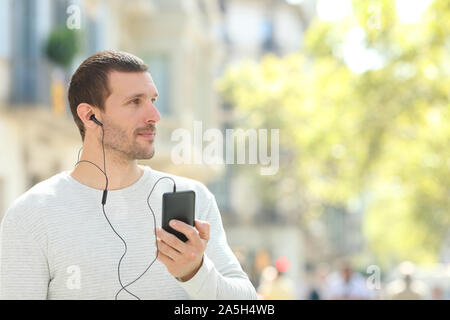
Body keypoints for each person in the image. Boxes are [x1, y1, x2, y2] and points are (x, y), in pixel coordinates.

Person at [0, 50, 257, 300]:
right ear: (90, 116)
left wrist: (195, 273)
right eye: (135, 102)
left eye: (152, 101)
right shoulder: (32, 214)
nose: (154, 116)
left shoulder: (194, 198)